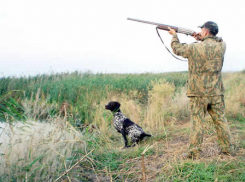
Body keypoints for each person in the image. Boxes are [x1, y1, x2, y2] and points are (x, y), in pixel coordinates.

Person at [168, 21, 233, 159]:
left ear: (205, 31)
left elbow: (177, 48)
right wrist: (202, 38)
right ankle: (227, 149)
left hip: (198, 93)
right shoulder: (222, 45)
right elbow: (215, 41)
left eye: (202, 30)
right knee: (221, 121)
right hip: (216, 92)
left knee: (197, 122)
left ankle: (194, 152)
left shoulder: (194, 48)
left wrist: (174, 35)